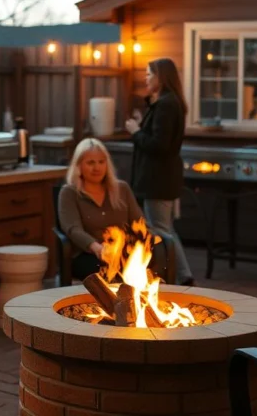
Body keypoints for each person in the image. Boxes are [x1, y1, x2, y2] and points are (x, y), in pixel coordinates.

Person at [124, 57, 194, 286]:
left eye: (149, 74)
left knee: (162, 230)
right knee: (166, 227)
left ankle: (182, 276)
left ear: (161, 77)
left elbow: (159, 145)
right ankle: (180, 273)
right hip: (163, 179)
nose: (146, 78)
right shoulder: (167, 102)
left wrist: (135, 131)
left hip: (158, 180)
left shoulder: (166, 104)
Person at [57, 138, 168, 280]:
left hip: (124, 251)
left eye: (101, 162)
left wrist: (149, 239)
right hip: (88, 255)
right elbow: (73, 229)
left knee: (152, 258)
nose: (97, 168)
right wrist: (97, 248)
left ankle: (148, 297)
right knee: (113, 269)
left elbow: (138, 222)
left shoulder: (122, 189)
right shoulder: (69, 192)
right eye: (90, 162)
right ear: (78, 166)